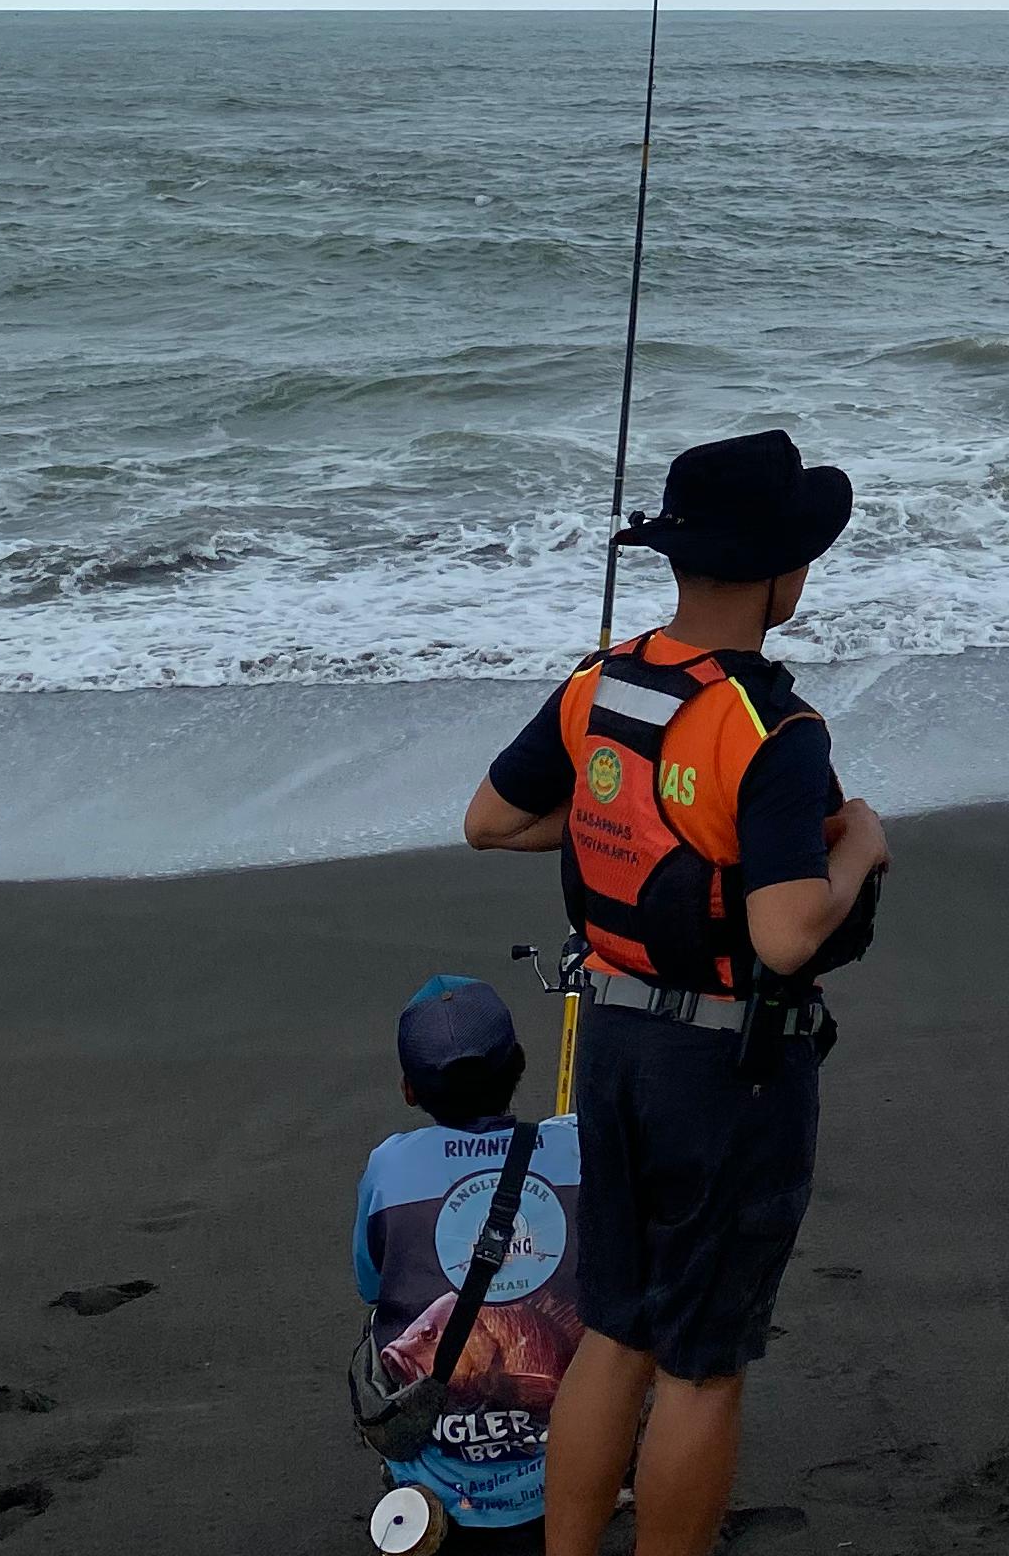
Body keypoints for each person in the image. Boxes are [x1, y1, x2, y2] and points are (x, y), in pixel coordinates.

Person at [462, 428, 892, 1556]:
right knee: (701, 1365)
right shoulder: (775, 728)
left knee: (616, 1328)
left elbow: (490, 822)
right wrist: (862, 852)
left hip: (607, 1038)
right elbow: (788, 933)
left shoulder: (599, 684)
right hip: (726, 1071)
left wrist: (637, 829)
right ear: (784, 575)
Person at [351, 976, 584, 1549]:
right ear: (521, 1062)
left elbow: (370, 1281)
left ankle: (422, 1482)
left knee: (377, 1325)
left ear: (409, 1089)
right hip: (573, 1465)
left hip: (438, 1480)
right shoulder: (578, 1145)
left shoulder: (390, 1167)